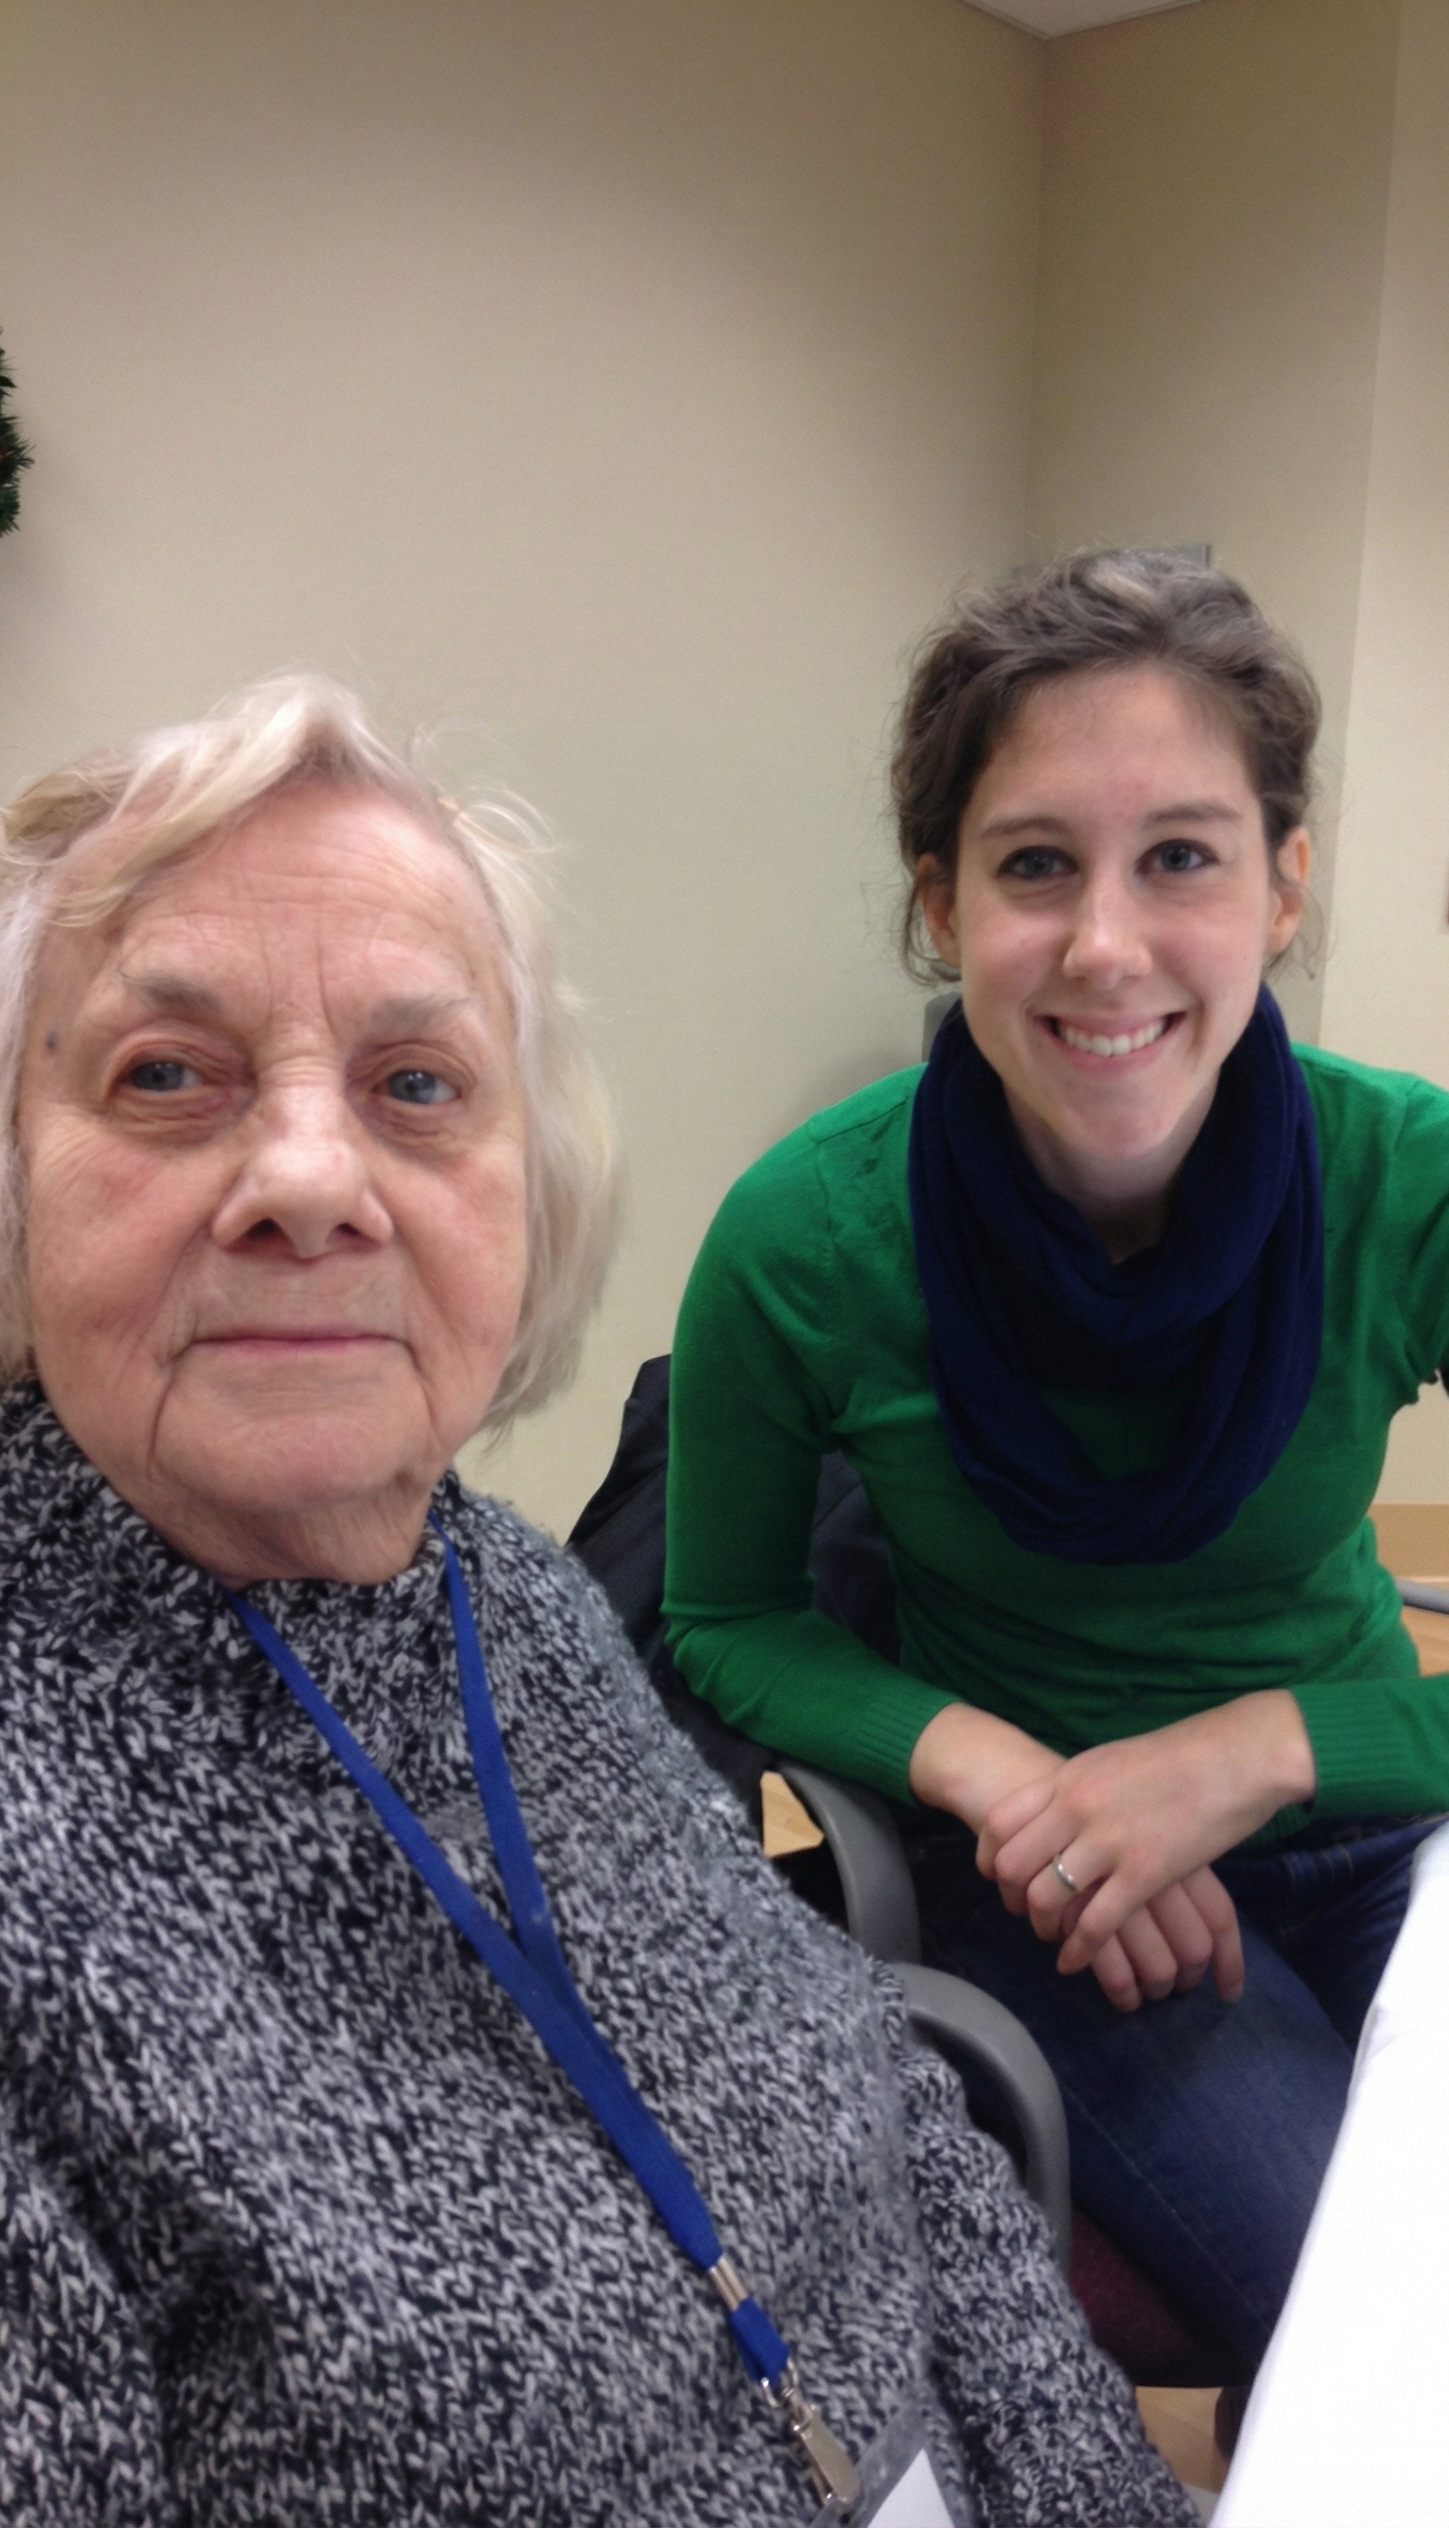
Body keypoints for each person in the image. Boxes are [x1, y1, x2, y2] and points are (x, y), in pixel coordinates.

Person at [0, 674, 1194, 2528]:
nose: (312, 1181)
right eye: (166, 1073)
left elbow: (865, 2082)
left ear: (528, 1194)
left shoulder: (503, 1603)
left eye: (417, 1085)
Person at [664, 548, 1449, 2373]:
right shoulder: (805, 1237)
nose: (1108, 946)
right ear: (940, 905)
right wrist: (1021, 1786)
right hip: (1061, 1895)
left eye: (1183, 855)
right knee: (1381, 2340)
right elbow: (726, 1618)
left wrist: (1258, 1750)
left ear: (1284, 886)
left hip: (1373, 1812)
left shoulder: (1406, 1182)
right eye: (1034, 866)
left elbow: (1304, 1753)